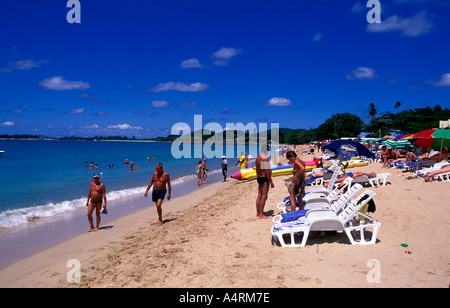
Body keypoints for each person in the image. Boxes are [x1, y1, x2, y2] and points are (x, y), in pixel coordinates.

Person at [255, 144, 274, 219]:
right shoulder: (265, 158)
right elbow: (267, 171)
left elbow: (257, 168)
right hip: (264, 178)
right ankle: (261, 214)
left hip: (259, 177)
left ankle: (258, 212)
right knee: (264, 196)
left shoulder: (258, 157)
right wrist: (270, 181)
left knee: (259, 194)